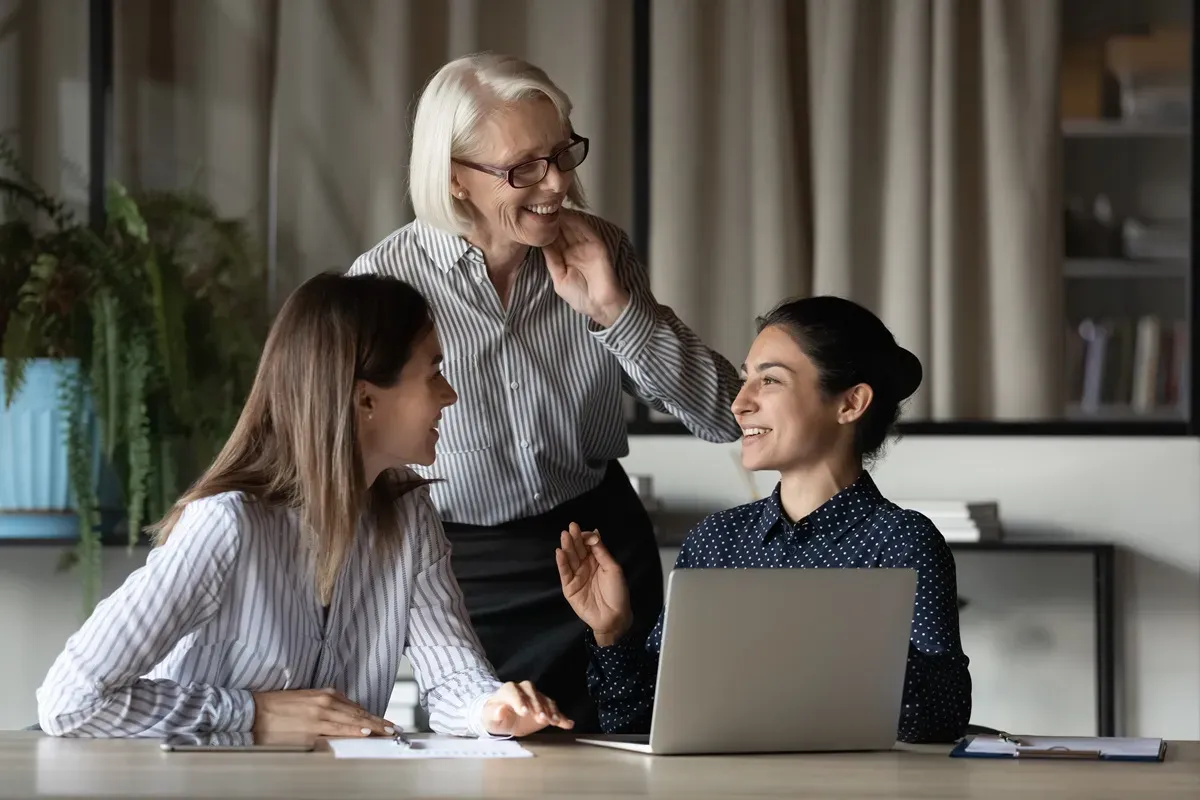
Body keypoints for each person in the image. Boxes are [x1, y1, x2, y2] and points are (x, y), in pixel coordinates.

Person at [348, 52, 741, 730]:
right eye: (524, 167)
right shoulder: (383, 283)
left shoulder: (600, 250)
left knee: (641, 759)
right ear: (455, 179)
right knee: (497, 763)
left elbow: (724, 418)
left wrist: (616, 311)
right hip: (464, 576)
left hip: (602, 551)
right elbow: (341, 449)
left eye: (563, 154)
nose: (557, 184)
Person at [36, 272, 573, 740]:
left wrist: (492, 709)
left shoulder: (410, 518)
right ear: (366, 399)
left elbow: (453, 679)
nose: (449, 394)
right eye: (433, 371)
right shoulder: (226, 526)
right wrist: (253, 714)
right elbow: (71, 700)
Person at [556, 296, 973, 744]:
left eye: (769, 380)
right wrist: (612, 631)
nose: (739, 404)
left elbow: (940, 717)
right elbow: (641, 723)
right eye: (743, 380)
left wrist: (830, 638)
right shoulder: (716, 540)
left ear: (851, 403)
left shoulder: (903, 541)